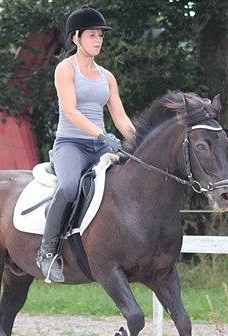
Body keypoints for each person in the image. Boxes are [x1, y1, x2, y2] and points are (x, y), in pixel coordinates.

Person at [36, 5, 136, 283]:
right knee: (69, 187)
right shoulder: (64, 69)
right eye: (92, 35)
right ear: (76, 38)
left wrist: (139, 143)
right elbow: (71, 111)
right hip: (71, 145)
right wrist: (102, 135)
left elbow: (121, 118)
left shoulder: (107, 77)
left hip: (101, 146)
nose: (97, 40)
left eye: (100, 36)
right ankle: (47, 251)